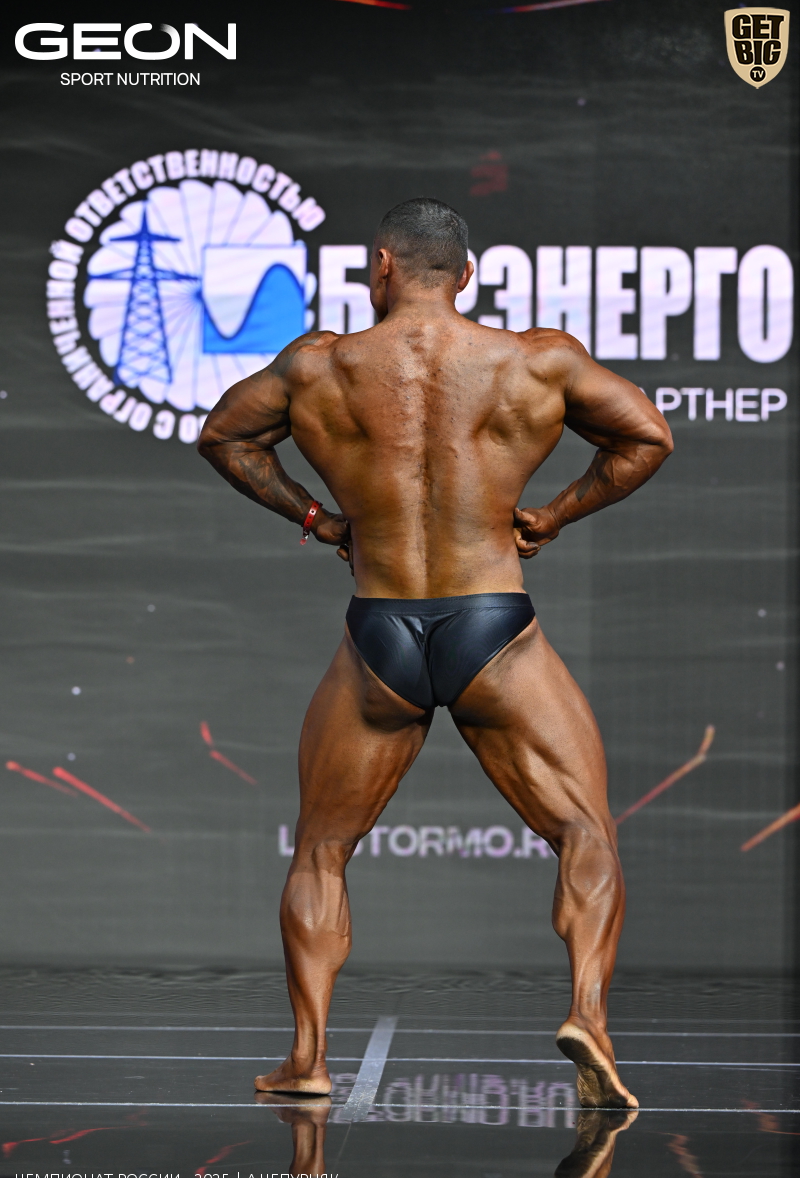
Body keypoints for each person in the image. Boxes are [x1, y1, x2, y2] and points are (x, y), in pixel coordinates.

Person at [198, 198, 672, 1109]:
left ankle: (307, 1059)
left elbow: (222, 436)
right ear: (467, 274)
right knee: (583, 831)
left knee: (322, 850)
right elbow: (647, 436)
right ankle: (588, 1017)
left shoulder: (316, 365)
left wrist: (316, 517)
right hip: (495, 627)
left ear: (381, 265)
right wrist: (554, 515)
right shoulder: (535, 359)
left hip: (379, 629)